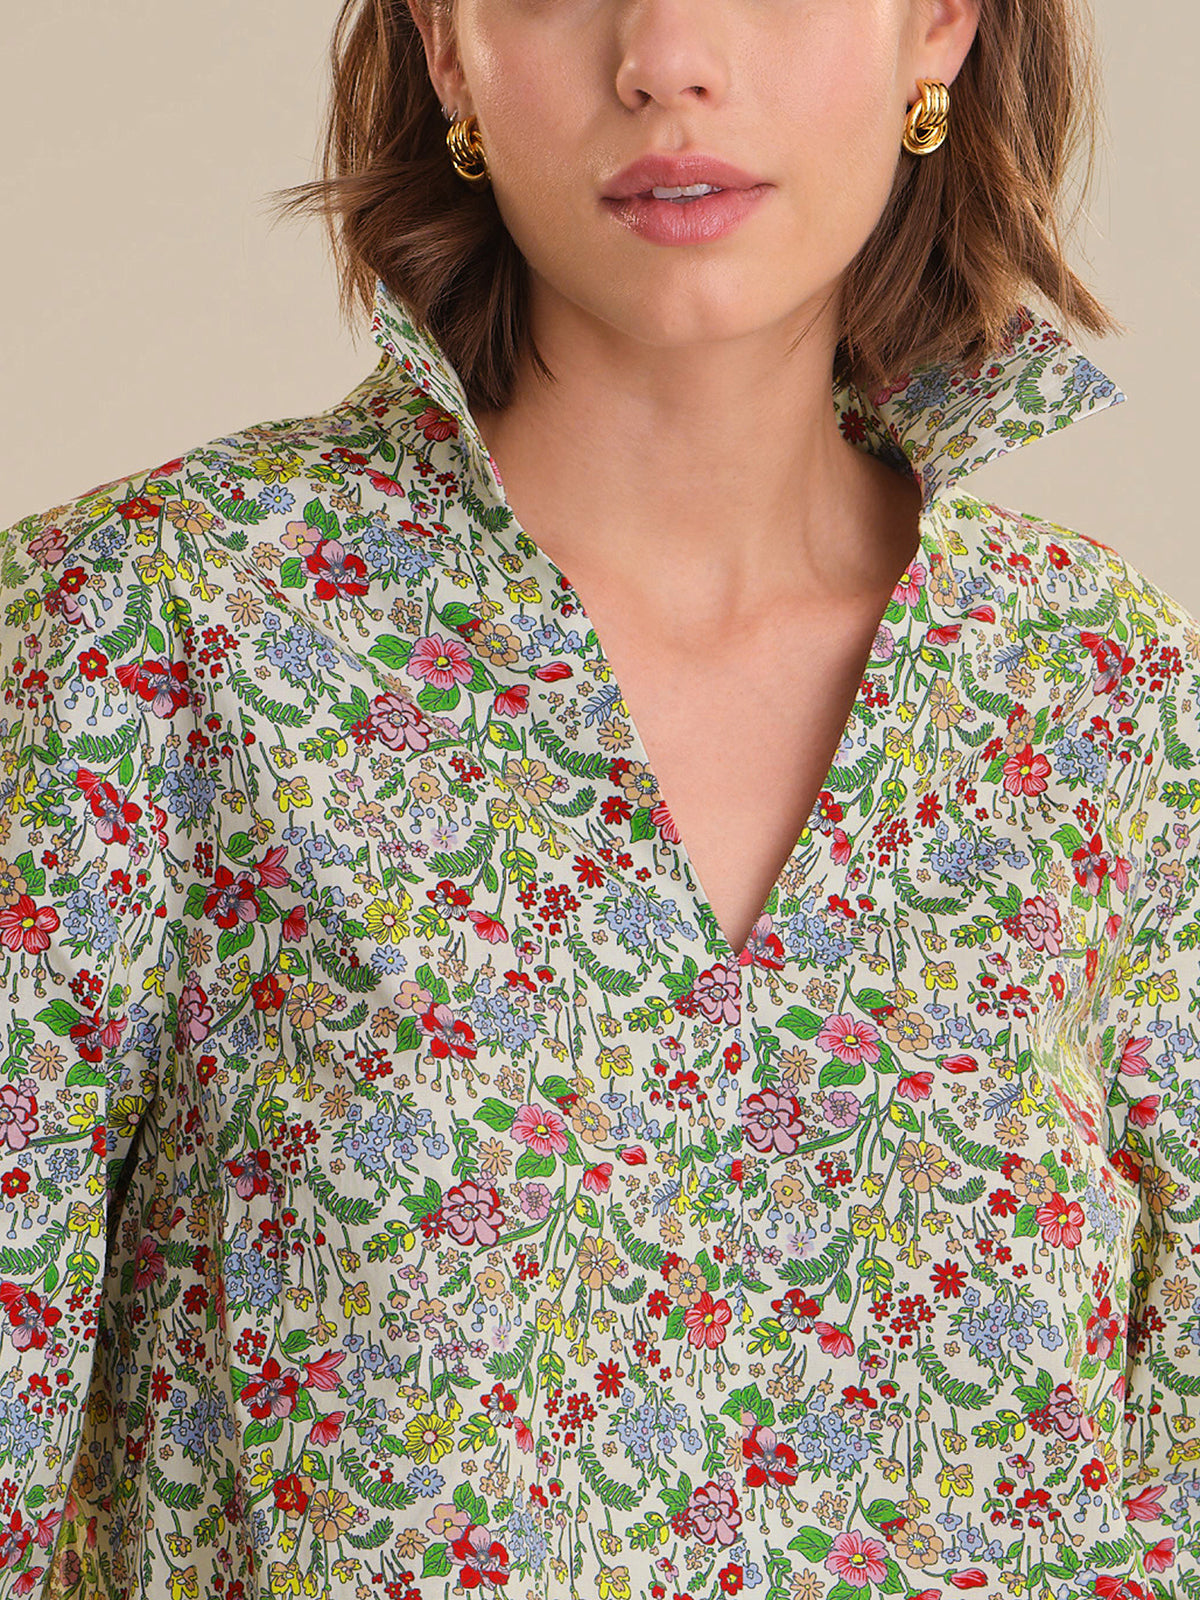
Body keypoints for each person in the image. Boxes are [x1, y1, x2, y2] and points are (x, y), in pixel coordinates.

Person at [0, 0, 1195, 1595]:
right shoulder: (152, 633)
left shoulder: (1106, 692)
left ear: (939, 28)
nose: (667, 55)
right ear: (445, 50)